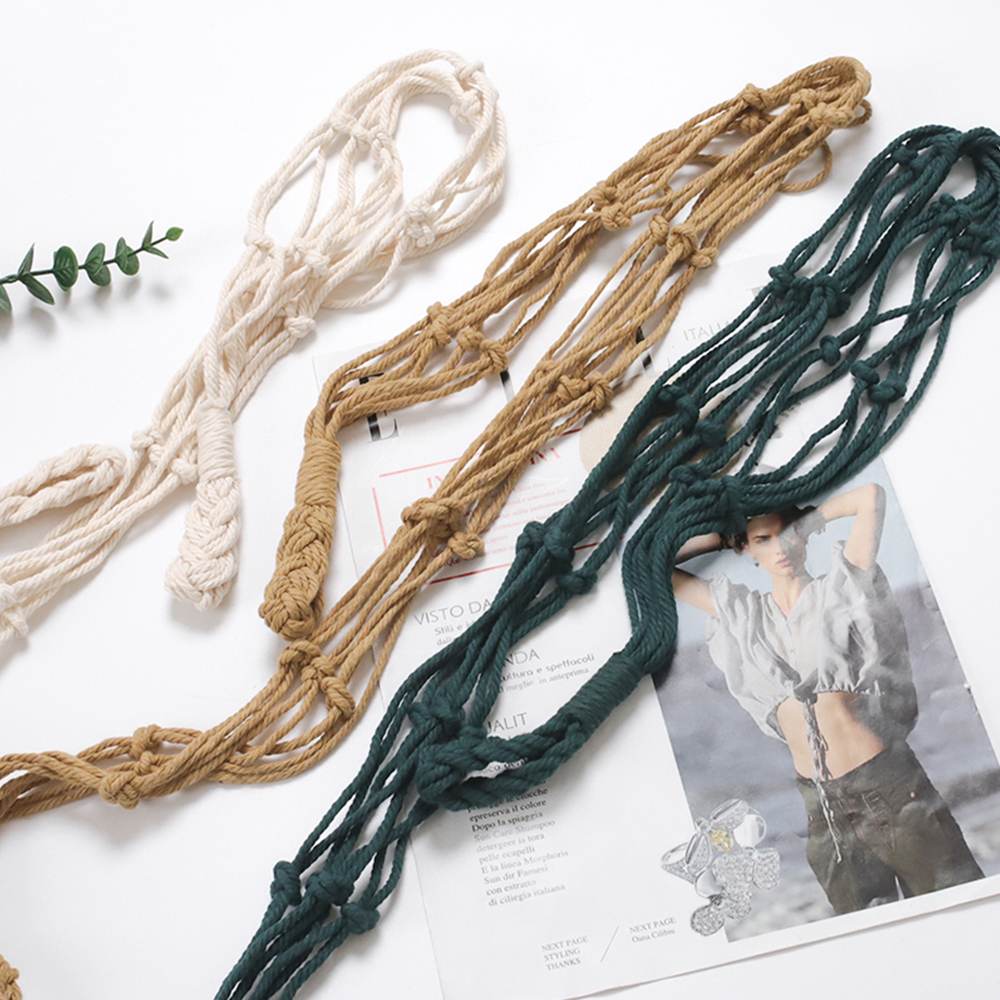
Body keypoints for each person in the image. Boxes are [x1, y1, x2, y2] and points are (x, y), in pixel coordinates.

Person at [672, 482, 983, 914]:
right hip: (822, 808)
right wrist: (729, 536)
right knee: (870, 939)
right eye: (764, 539)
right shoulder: (743, 614)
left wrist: (809, 520)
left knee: (960, 913)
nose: (780, 547)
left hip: (888, 787)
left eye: (788, 533)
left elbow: (869, 497)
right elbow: (657, 564)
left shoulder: (841, 588)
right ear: (749, 549)